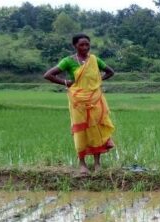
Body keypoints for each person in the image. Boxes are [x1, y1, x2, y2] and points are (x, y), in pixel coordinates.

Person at [44, 33, 115, 176]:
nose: (85, 47)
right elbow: (48, 75)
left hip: (95, 99)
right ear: (75, 46)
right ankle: (82, 164)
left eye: (87, 44)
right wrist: (66, 82)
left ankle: (97, 163)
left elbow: (110, 72)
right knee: (80, 130)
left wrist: (98, 81)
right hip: (78, 102)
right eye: (81, 45)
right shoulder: (68, 61)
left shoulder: (94, 60)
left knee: (96, 129)